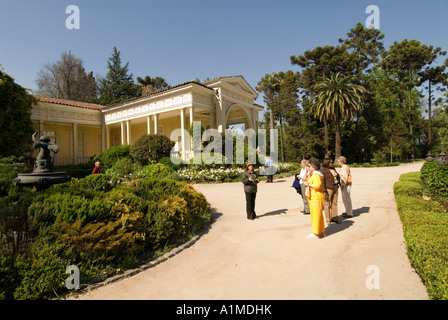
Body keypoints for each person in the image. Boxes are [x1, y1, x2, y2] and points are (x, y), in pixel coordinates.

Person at [304, 158, 325, 239]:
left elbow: (317, 185)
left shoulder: (316, 175)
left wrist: (309, 185)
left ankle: (316, 232)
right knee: (318, 214)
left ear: (313, 166)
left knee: (315, 215)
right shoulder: (313, 174)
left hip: (316, 197)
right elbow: (307, 179)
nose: (308, 167)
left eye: (309, 166)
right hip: (314, 196)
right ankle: (321, 231)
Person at [321, 158, 340, 224]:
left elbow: (337, 176)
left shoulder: (333, 169)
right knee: (327, 204)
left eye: (332, 162)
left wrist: (339, 183)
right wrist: (324, 190)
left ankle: (334, 217)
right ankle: (327, 219)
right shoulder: (323, 170)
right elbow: (322, 181)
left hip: (335, 186)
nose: (332, 163)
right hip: (328, 188)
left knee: (334, 203)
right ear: (327, 163)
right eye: (331, 162)